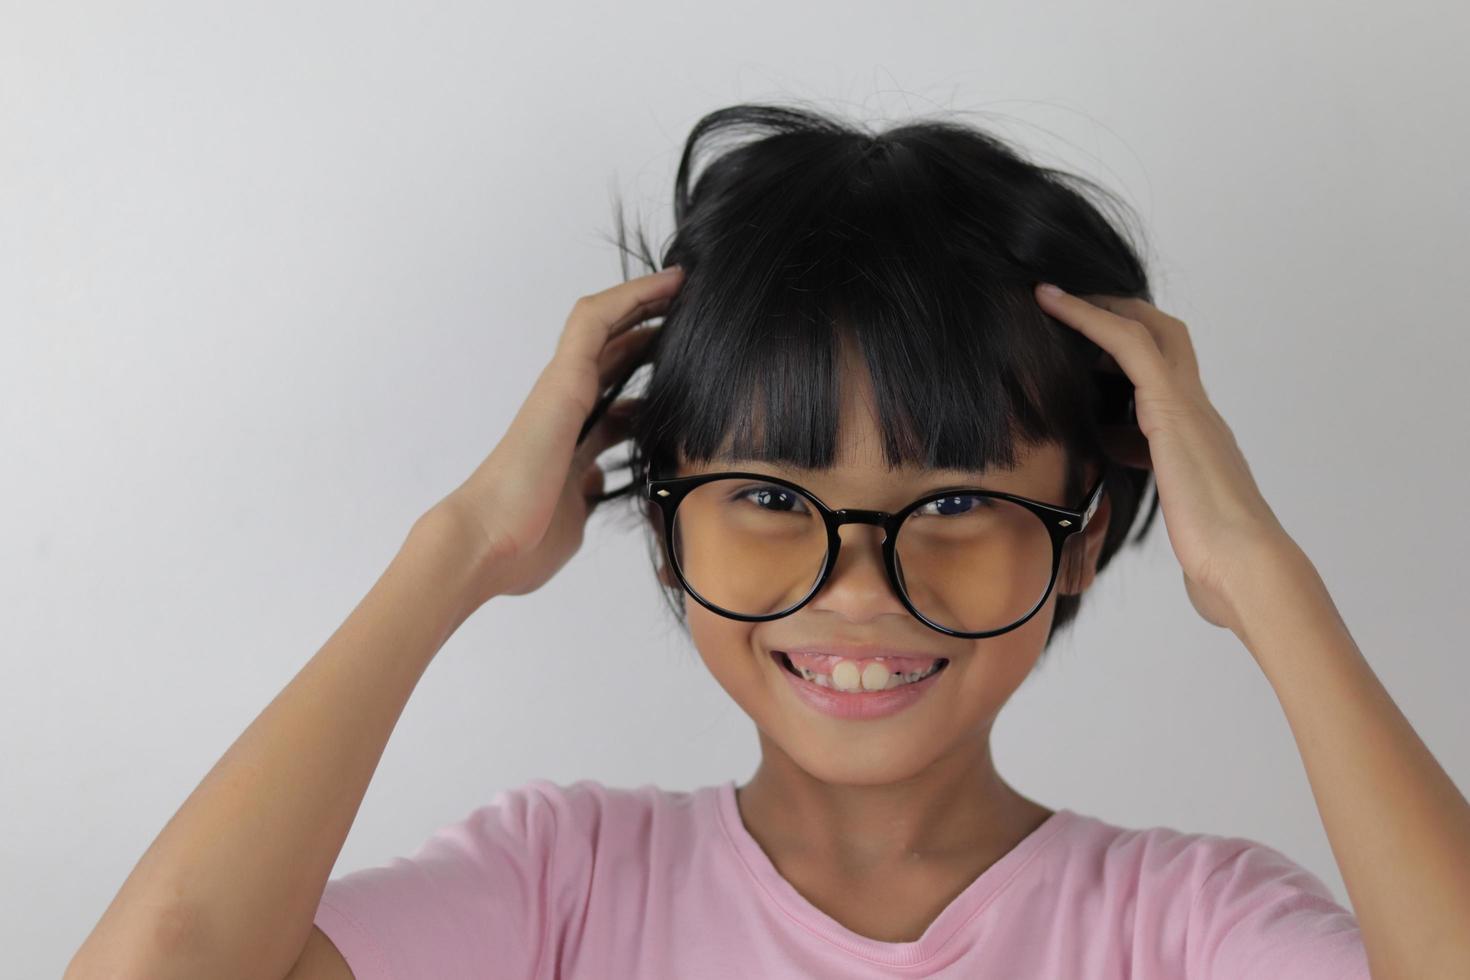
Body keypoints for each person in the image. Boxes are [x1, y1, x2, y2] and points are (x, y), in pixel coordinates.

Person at [67, 103, 1470, 980]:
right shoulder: (561, 884)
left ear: (1082, 528)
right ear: (660, 514)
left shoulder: (1179, 927)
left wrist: (1268, 585)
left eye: (959, 500)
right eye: (771, 499)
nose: (861, 591)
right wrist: (456, 552)